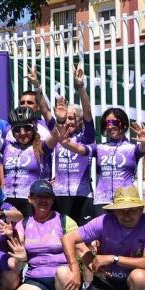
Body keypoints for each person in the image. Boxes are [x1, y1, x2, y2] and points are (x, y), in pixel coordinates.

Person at [6, 180, 81, 290]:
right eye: (38, 196)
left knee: (62, 271)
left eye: (47, 196)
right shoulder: (23, 225)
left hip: (63, 277)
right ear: (30, 199)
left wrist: (88, 271)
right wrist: (22, 259)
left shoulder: (65, 221)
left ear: (53, 200)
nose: (43, 200)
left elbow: (81, 248)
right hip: (37, 279)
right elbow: (16, 261)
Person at [0, 100, 60, 214]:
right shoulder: (6, 146)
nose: (22, 133)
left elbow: (57, 134)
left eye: (27, 128)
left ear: (34, 127)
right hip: (8, 202)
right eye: (17, 129)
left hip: (32, 202)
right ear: (12, 131)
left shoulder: (42, 147)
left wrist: (60, 120)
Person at [56, 109, 145, 216]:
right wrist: (65, 143)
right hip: (101, 202)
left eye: (114, 122)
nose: (110, 126)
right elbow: (80, 149)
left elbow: (143, 148)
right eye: (107, 123)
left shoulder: (132, 148)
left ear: (124, 124)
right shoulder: (99, 148)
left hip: (125, 201)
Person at [49, 67, 95, 224]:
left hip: (82, 194)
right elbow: (44, 110)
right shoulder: (57, 135)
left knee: (84, 235)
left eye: (71, 118)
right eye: (66, 118)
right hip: (59, 195)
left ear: (79, 121)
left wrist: (81, 87)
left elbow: (88, 114)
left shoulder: (86, 137)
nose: (68, 121)